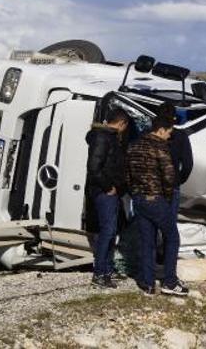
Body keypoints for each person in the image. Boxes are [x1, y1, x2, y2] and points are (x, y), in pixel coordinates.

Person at [126, 116, 188, 296]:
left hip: (139, 199)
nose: (169, 136)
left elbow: (127, 175)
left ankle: (148, 284)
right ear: (161, 130)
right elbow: (169, 176)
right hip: (156, 199)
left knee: (148, 241)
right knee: (172, 238)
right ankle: (169, 282)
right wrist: (167, 198)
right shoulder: (160, 147)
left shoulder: (133, 145)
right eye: (169, 132)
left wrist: (135, 193)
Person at [85, 108, 129, 289]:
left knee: (111, 232)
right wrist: (108, 186)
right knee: (108, 232)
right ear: (121, 123)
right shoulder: (103, 137)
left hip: (110, 192)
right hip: (105, 192)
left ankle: (107, 270)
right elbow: (94, 167)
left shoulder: (108, 137)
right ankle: (100, 273)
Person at [156, 103, 193, 218]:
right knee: (170, 225)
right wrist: (179, 179)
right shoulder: (181, 136)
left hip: (150, 186)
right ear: (174, 118)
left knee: (151, 226)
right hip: (172, 185)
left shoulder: (146, 135)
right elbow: (188, 164)